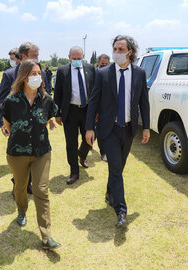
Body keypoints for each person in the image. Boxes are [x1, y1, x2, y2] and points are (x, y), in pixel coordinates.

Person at [86, 35, 150, 228]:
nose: (117, 52)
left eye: (121, 49)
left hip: (128, 129)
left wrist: (146, 126)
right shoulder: (103, 73)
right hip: (109, 130)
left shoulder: (139, 73)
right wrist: (89, 127)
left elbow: (143, 102)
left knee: (118, 168)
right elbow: (94, 101)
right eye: (115, 48)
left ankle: (109, 192)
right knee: (115, 167)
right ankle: (121, 211)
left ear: (130, 52)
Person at [0, 60, 61, 250]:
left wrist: (47, 122)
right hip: (17, 153)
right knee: (20, 187)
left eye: (39, 73)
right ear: (23, 77)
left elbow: (48, 117)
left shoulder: (46, 100)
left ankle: (46, 236)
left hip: (42, 151)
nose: (37, 76)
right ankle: (21, 210)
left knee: (41, 190)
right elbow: (7, 125)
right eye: (32, 73)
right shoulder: (11, 101)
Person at [0, 42, 50, 195]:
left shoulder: (42, 73)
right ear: (23, 56)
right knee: (19, 154)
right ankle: (19, 183)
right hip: (17, 124)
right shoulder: (9, 75)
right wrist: (3, 122)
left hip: (36, 123)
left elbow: (45, 95)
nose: (37, 59)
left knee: (35, 152)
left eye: (38, 56)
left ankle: (29, 183)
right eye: (34, 56)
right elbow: (2, 101)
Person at [54, 46, 95, 185]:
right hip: (70, 111)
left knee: (89, 139)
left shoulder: (90, 68)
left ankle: (82, 155)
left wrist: (97, 112)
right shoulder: (62, 71)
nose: (77, 61)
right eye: (74, 58)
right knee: (71, 143)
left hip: (87, 110)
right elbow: (57, 93)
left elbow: (95, 91)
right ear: (69, 57)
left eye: (79, 58)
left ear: (83, 56)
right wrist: (57, 113)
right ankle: (74, 171)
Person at [96, 53, 110, 162]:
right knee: (99, 131)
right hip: (97, 108)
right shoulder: (94, 73)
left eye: (106, 64)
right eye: (102, 64)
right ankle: (103, 152)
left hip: (108, 108)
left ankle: (106, 151)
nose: (104, 65)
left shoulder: (111, 74)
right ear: (98, 63)